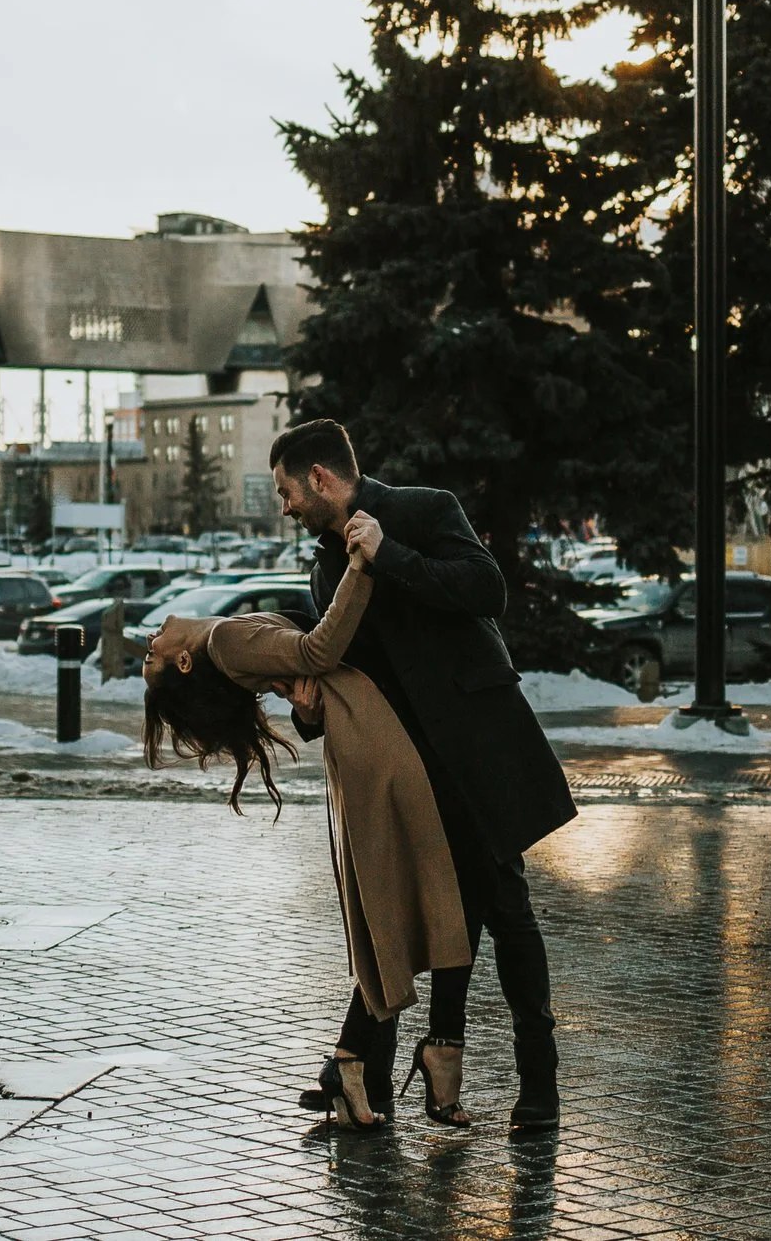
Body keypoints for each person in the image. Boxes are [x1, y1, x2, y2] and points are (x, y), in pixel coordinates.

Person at [270, 418, 576, 1133]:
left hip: (481, 755)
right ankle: (382, 1068)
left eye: (286, 490)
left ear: (321, 478)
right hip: (408, 776)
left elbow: (486, 589)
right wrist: (310, 713)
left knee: (507, 911)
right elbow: (344, 672)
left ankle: (541, 1085)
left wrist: (391, 555)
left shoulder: (423, 508)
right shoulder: (324, 563)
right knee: (410, 915)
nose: (283, 505)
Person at [142, 540, 476, 1130]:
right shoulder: (222, 640)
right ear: (185, 663)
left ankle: (354, 1065)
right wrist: (361, 562)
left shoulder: (224, 642)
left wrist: (307, 705)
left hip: (361, 735)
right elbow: (320, 647)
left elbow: (307, 665)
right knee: (428, 892)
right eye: (153, 658)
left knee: (397, 903)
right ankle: (375, 1060)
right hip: (374, 734)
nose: (150, 644)